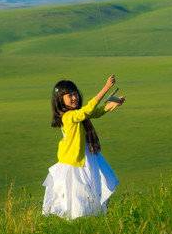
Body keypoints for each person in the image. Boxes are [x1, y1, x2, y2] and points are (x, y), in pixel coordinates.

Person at [42, 74, 125, 220]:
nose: (74, 97)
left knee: (92, 185)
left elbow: (94, 112)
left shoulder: (77, 114)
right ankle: (77, 218)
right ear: (60, 100)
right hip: (74, 161)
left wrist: (111, 105)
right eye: (69, 95)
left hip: (87, 156)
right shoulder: (68, 117)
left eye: (75, 94)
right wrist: (105, 88)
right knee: (77, 192)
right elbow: (86, 111)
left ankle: (91, 215)